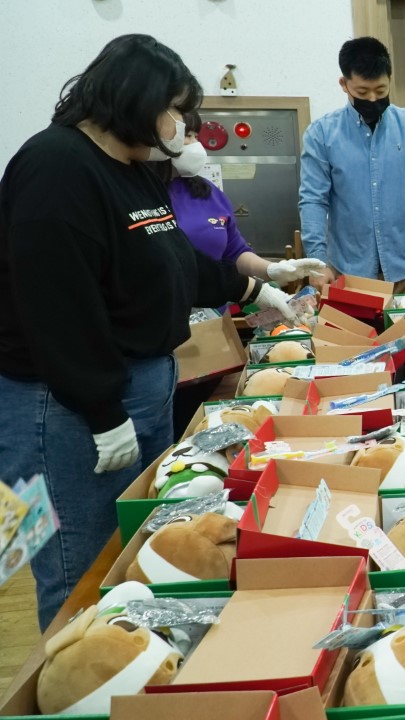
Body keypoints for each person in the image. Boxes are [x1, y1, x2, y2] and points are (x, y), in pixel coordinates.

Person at [0, 35, 297, 629]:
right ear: (135, 98)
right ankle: (81, 687)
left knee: (139, 550)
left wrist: (255, 287)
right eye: (175, 107)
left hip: (137, 386)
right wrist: (102, 409)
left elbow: (170, 264)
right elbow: (56, 307)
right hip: (63, 406)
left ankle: (136, 657)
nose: (181, 124)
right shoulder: (55, 167)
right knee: (81, 562)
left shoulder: (133, 168)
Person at [299, 37, 405, 293]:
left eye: (380, 91)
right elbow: (313, 199)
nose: (372, 99)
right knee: (353, 333)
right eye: (362, 92)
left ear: (390, 80)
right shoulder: (321, 134)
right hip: (348, 269)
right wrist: (317, 261)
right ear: (344, 84)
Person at [154, 109, 326, 282]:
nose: (195, 145)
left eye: (196, 137)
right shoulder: (143, 194)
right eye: (187, 136)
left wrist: (271, 269)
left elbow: (234, 252)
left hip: (214, 306)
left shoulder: (208, 193)